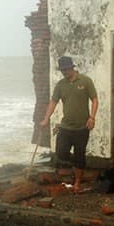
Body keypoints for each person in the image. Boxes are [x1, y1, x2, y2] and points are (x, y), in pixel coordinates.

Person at [39, 56, 99, 190]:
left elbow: (94, 99)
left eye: (66, 69)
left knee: (80, 153)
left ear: (72, 67)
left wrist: (92, 117)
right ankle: (77, 166)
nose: (64, 72)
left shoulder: (85, 81)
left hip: (82, 128)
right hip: (65, 126)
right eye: (62, 70)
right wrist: (46, 119)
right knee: (61, 153)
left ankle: (77, 181)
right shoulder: (60, 85)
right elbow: (53, 102)